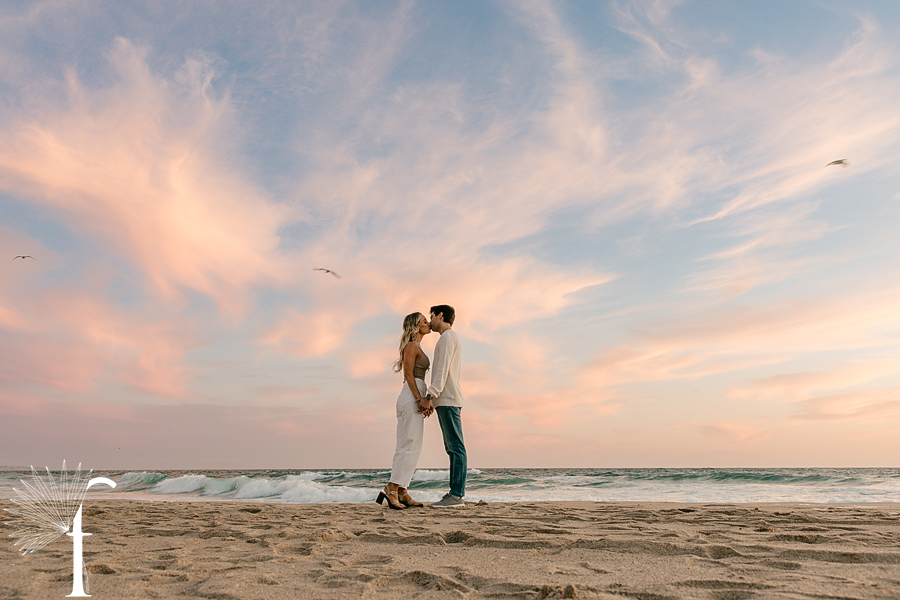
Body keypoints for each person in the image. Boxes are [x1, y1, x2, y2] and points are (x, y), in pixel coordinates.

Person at [376, 312, 433, 510]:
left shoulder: (417, 346)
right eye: (424, 321)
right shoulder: (411, 346)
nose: (428, 323)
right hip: (411, 394)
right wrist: (419, 398)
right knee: (410, 444)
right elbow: (408, 374)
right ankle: (392, 488)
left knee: (407, 444)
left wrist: (423, 397)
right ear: (416, 326)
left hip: (412, 394)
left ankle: (402, 491)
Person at [417, 304, 467, 508]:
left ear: (440, 315)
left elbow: (442, 370)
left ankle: (456, 495)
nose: (430, 321)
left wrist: (430, 395)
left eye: (431, 316)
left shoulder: (447, 337)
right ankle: (455, 493)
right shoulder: (448, 338)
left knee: (456, 448)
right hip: (445, 400)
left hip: (448, 399)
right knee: (452, 448)